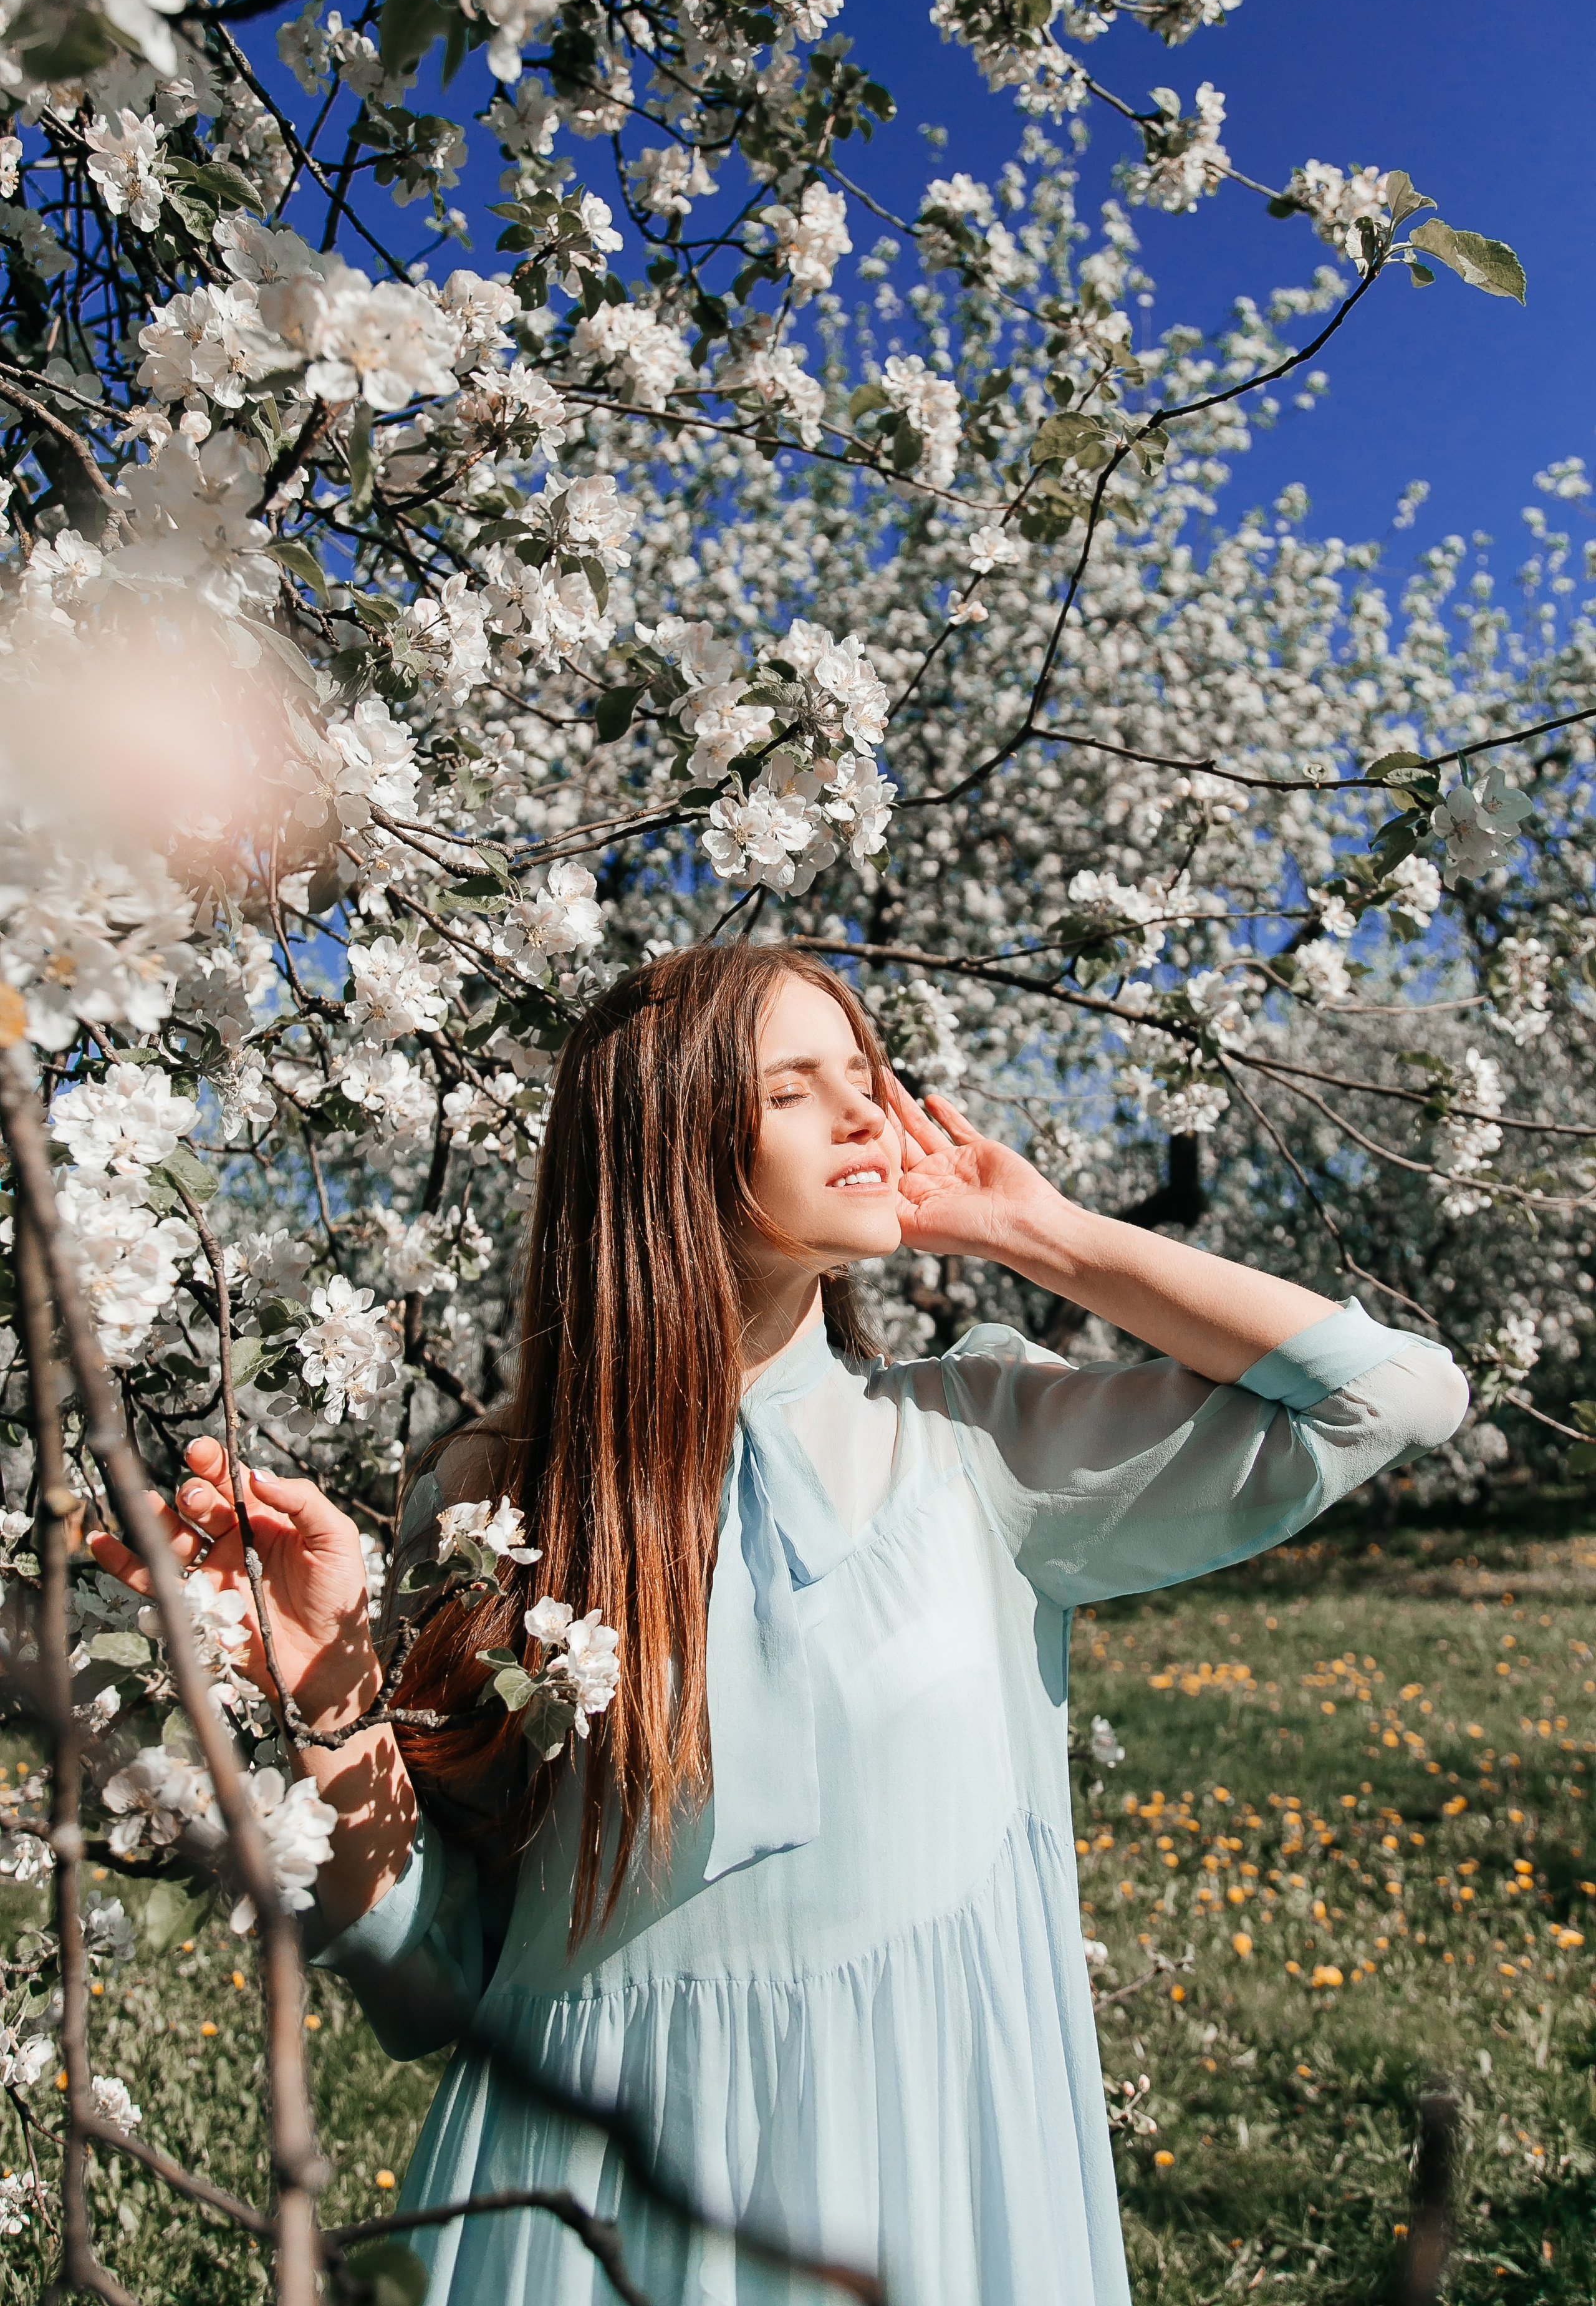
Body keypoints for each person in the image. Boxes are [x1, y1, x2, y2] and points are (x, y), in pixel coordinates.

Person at [90, 942, 1469, 2305]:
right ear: (661, 1144)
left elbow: (1390, 1396)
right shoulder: (491, 1502)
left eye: (864, 1073)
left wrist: (1031, 1231)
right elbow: (435, 1980)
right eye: (794, 1086)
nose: (867, 1109)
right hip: (587, 2209)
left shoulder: (974, 1444)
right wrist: (329, 1678)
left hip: (926, 2189)